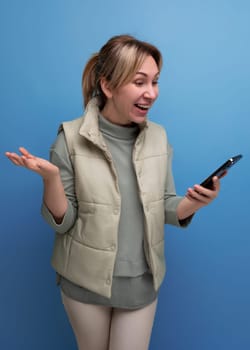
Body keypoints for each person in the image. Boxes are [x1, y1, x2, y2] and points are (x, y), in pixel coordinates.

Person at [5, 34, 222, 350]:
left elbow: (163, 207)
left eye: (155, 82)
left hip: (141, 283)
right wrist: (50, 179)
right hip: (84, 284)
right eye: (139, 82)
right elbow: (64, 222)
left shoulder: (159, 139)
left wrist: (195, 202)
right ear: (107, 86)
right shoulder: (69, 138)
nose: (151, 93)